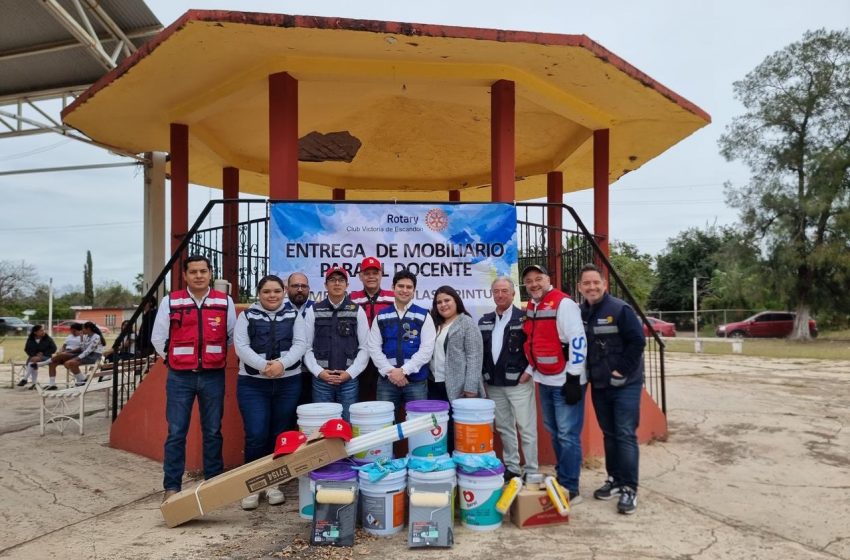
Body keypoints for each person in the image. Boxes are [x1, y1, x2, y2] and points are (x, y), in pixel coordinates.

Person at [151, 255, 237, 502]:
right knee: (177, 432)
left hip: (213, 376)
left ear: (210, 273)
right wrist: (174, 360)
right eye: (193, 272)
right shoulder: (171, 301)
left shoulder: (224, 302)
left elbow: (230, 336)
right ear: (185, 276)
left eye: (203, 271)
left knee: (213, 431)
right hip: (180, 377)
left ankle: (213, 482)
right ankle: (172, 486)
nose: (199, 276)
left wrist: (211, 356)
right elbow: (158, 338)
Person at [235, 274, 308, 510]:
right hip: (253, 384)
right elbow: (241, 346)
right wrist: (263, 366)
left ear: (284, 292)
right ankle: (253, 486)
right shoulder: (247, 315)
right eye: (267, 291)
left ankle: (274, 484)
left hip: (288, 383)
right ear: (259, 293)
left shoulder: (293, 314)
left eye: (276, 291)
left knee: (281, 434)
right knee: (256, 434)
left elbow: (300, 344)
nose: (272, 295)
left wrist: (281, 365)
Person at [578, 263, 646, 515]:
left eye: (596, 282)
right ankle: (614, 480)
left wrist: (622, 371)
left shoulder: (620, 309)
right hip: (599, 384)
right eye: (587, 283)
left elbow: (638, 342)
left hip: (625, 384)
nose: (592, 287)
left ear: (604, 285)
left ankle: (629, 487)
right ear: (580, 287)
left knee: (625, 433)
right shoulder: (581, 312)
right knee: (609, 433)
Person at [521, 264, 587, 503]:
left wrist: (573, 376)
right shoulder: (533, 306)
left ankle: (571, 487)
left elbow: (578, 340)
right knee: (555, 432)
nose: (534, 284)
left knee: (568, 434)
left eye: (538, 279)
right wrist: (531, 370)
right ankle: (562, 477)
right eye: (529, 281)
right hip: (544, 379)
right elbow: (533, 340)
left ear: (548, 279)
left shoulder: (564, 304)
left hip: (565, 381)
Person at [479, 277, 538, 481]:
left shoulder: (525, 318)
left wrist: (529, 372)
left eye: (505, 291)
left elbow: (535, 346)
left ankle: (531, 470)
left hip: (519, 383)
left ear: (513, 294)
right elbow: (480, 352)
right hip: (494, 384)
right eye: (496, 291)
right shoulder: (485, 320)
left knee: (526, 428)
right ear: (492, 294)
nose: (500, 295)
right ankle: (512, 467)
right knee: (504, 428)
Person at [303, 266, 370, 421]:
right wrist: (319, 372)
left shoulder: (356, 310)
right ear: (326, 285)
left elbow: (365, 347)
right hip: (321, 380)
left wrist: (350, 373)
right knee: (322, 425)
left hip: (348, 380)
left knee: (348, 423)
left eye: (341, 280)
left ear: (347, 285)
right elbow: (307, 348)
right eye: (332, 280)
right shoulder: (314, 310)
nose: (337, 283)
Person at [367, 269, 436, 411]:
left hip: (416, 381)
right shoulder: (382, 315)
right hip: (387, 381)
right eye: (400, 286)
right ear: (393, 287)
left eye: (409, 287)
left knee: (418, 423)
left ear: (414, 291)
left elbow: (427, 350)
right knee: (385, 424)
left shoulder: (424, 315)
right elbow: (373, 348)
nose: (404, 290)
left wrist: (404, 371)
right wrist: (391, 372)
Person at [350, 256, 395, 401]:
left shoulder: (393, 297)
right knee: (362, 399)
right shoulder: (352, 298)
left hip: (385, 356)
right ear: (360, 276)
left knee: (386, 399)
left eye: (375, 273)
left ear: (381, 275)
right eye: (367, 273)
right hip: (360, 357)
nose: (371, 277)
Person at [285, 271, 316, 406]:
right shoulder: (280, 308)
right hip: (287, 372)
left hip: (313, 372)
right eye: (295, 286)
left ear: (309, 289)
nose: (299, 289)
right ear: (287, 289)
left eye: (303, 286)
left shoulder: (317, 309)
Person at [45, 323, 83, 390]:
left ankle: (45, 362)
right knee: (52, 363)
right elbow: (64, 346)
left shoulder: (82, 337)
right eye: (72, 330)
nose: (73, 332)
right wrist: (61, 351)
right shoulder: (69, 336)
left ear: (79, 330)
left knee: (63, 354)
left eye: (74, 331)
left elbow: (81, 348)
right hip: (65, 353)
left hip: (74, 354)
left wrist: (65, 352)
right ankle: (52, 384)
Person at [18, 325, 57, 390]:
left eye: (43, 330)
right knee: (33, 362)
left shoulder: (48, 338)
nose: (43, 331)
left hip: (46, 357)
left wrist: (43, 353)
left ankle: (25, 379)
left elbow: (54, 349)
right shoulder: (30, 339)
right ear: (35, 332)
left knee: (33, 361)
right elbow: (27, 349)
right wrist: (34, 354)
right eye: (41, 330)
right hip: (33, 356)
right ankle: (34, 384)